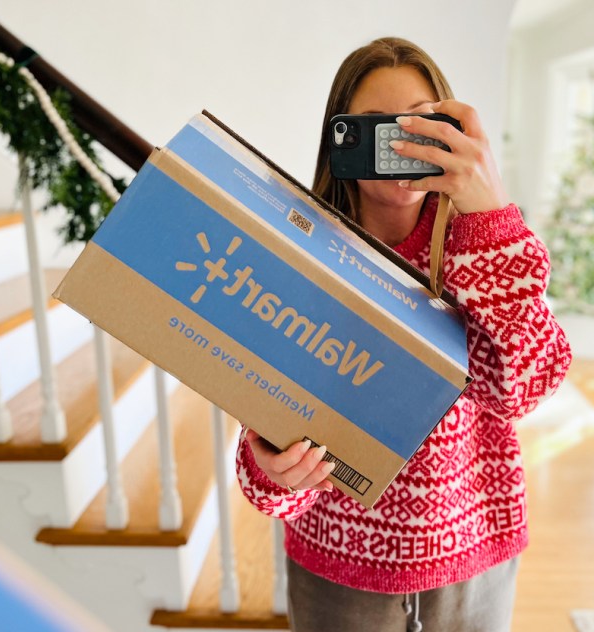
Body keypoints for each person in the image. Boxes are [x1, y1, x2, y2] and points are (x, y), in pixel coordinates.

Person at [235, 36, 571, 632]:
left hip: (473, 557)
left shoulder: (482, 246)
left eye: (419, 126)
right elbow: (266, 474)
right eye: (374, 129)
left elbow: (529, 385)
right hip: (335, 570)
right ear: (340, 140)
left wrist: (488, 210)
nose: (398, 145)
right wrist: (270, 466)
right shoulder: (302, 253)